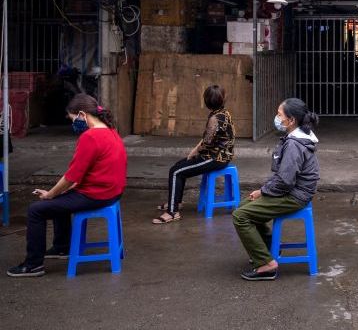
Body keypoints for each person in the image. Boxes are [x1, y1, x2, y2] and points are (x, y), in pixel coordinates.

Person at [7, 94, 127, 277]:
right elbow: (85, 174)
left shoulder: (90, 137)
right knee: (60, 198)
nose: (73, 124)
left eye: (72, 119)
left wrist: (50, 194)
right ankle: (62, 247)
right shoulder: (111, 130)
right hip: (113, 191)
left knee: (36, 210)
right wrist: (57, 193)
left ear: (82, 115)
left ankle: (33, 264)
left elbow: (72, 177)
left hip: (98, 195)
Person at [233, 98, 320, 281]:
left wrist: (263, 192)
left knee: (240, 216)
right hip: (292, 190)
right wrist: (263, 190)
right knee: (243, 205)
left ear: (291, 120)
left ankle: (267, 265)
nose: (277, 118)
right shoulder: (295, 137)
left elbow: (284, 182)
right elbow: (283, 177)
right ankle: (269, 248)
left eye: (280, 115)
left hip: (294, 195)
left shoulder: (294, 144)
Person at [152, 85, 235, 224]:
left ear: (206, 101)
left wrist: (196, 152)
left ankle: (172, 212)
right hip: (216, 155)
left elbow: (207, 143)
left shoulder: (215, 119)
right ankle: (176, 203)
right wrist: (193, 152)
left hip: (215, 158)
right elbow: (208, 139)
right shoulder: (223, 112)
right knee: (179, 165)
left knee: (176, 171)